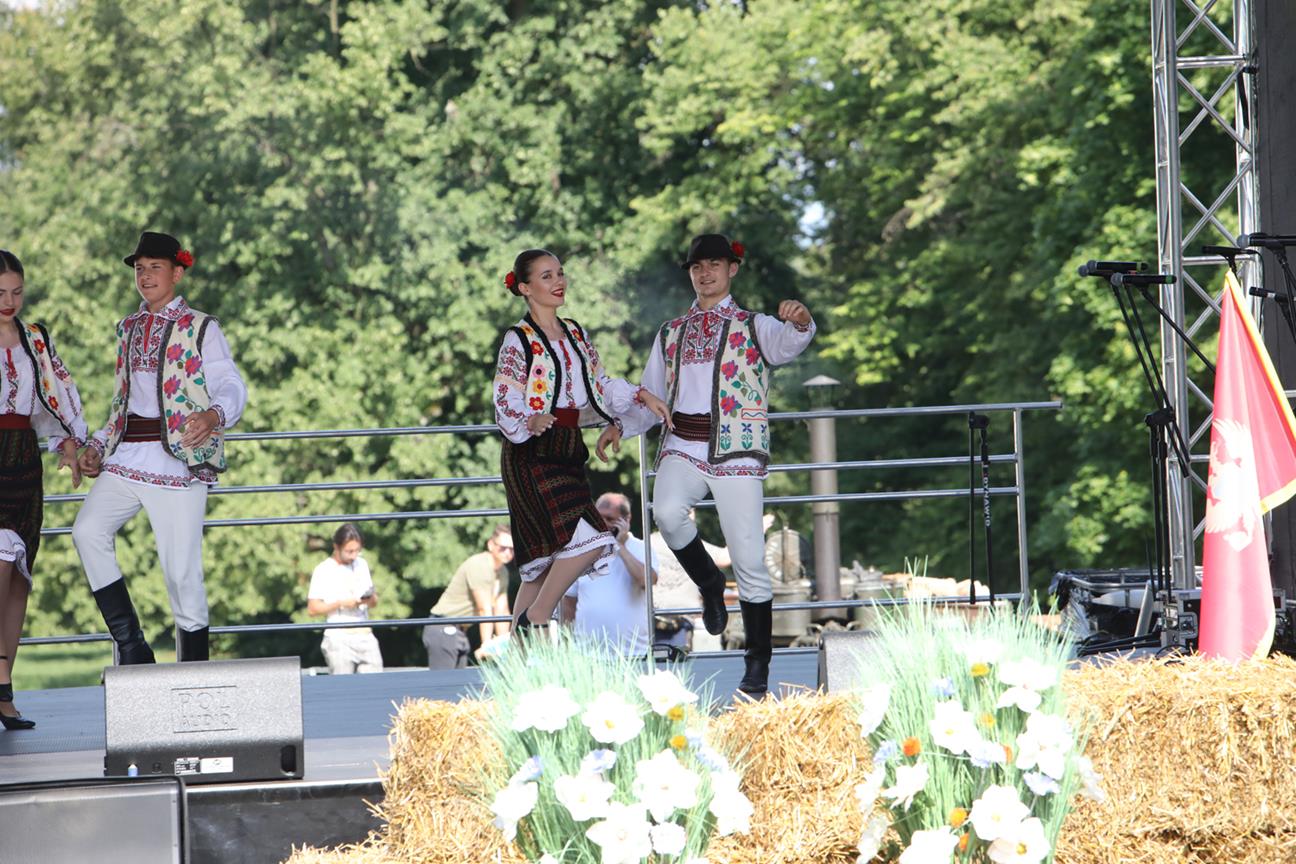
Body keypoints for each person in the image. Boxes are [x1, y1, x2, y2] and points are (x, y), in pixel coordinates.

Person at [602, 234, 815, 696]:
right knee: (665, 512)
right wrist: (620, 425)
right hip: (683, 443)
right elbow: (651, 393)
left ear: (732, 269)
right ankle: (709, 581)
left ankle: (756, 665)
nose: (705, 273)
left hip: (736, 448)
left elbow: (787, 344)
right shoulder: (671, 332)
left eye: (714, 264)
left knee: (750, 560)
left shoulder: (754, 325)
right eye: (697, 266)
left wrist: (800, 321)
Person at [73, 232, 248, 664]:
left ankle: (194, 671)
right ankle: (133, 647)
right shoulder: (127, 328)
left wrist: (214, 416)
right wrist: (97, 445)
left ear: (177, 273)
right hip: (127, 457)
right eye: (140, 268)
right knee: (87, 531)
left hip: (180, 460)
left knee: (181, 573)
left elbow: (229, 382)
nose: (146, 275)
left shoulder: (202, 326)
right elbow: (122, 401)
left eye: (155, 267)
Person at [492, 249, 669, 632]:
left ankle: (519, 650)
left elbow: (599, 385)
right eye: (546, 276)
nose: (558, 281)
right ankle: (538, 616)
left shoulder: (575, 332)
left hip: (568, 447)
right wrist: (530, 418)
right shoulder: (517, 339)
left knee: (543, 564)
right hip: (530, 451)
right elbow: (505, 397)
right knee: (590, 538)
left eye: (560, 273)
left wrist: (641, 395)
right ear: (525, 288)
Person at [0, 249, 88, 729]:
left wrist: (70, 443)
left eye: (17, 291)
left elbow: (55, 399)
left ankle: (4, 693)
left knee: (18, 578)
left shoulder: (36, 338)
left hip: (24, 462)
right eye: (0, 293)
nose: (9, 301)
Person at [560, 492, 657, 656]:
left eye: (610, 519)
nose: (603, 523)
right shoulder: (580, 550)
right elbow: (568, 604)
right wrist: (566, 646)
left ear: (626, 520)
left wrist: (619, 546)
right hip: (586, 655)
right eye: (599, 517)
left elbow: (646, 581)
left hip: (633, 654)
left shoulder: (641, 548)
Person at [424, 525, 514, 669]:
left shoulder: (502, 571)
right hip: (443, 626)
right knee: (443, 682)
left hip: (461, 631)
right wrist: (487, 645)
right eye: (503, 548)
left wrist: (504, 645)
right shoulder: (480, 565)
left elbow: (502, 611)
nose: (508, 552)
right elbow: (484, 609)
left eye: (512, 549)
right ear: (491, 545)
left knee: (459, 682)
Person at [307, 523, 383, 674]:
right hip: (338, 636)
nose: (354, 555)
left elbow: (374, 603)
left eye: (357, 551)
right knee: (343, 684)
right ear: (336, 547)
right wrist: (341, 604)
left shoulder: (362, 564)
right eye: (349, 551)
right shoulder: (323, 570)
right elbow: (312, 608)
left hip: (365, 634)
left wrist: (368, 598)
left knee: (376, 682)